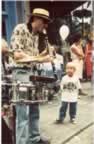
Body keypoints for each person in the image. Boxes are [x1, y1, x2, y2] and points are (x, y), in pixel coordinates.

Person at [10, 8, 53, 144]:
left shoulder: (36, 35)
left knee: (35, 108)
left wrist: (44, 54)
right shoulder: (20, 29)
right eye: (44, 22)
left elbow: (32, 57)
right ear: (35, 19)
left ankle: (34, 138)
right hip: (21, 72)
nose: (45, 25)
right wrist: (41, 59)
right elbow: (17, 56)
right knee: (22, 113)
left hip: (32, 72)